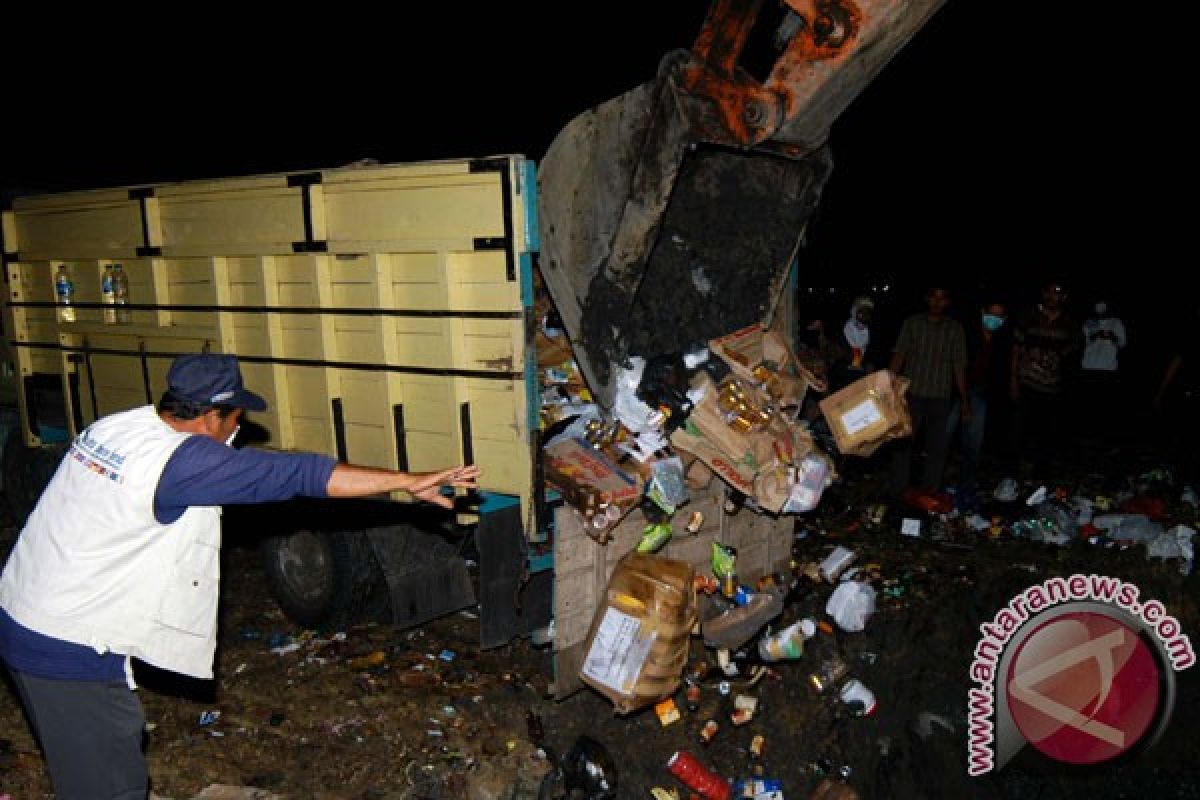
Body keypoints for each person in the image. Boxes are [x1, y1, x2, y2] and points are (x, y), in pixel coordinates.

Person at [0, 353, 480, 799]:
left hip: (22, 612)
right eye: (235, 419)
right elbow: (298, 475)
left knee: (89, 769)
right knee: (109, 787)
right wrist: (405, 480)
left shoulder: (119, 426)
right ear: (212, 416)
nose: (238, 430)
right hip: (65, 648)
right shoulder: (186, 461)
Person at [888, 285, 968, 499]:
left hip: (941, 396)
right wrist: (887, 386)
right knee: (903, 442)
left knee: (937, 447)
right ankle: (898, 490)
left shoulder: (955, 329)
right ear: (927, 299)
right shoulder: (912, 323)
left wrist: (965, 400)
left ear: (948, 302)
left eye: (942, 299)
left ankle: (930, 492)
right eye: (933, 297)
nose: (937, 303)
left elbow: (958, 366)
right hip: (912, 394)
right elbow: (899, 355)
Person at [1010, 280, 1081, 475]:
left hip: (1052, 387)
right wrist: (1013, 380)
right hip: (1025, 382)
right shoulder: (1028, 316)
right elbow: (1015, 349)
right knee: (1018, 429)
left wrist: (1059, 354)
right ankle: (1014, 470)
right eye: (1049, 292)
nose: (1052, 297)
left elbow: (1076, 345)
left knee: (1047, 432)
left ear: (1064, 298)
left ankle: (1040, 472)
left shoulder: (1069, 323)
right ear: (1043, 294)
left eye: (1057, 293)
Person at [946, 298, 1012, 509]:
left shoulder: (1003, 342)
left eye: (998, 316)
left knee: (973, 444)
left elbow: (1000, 377)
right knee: (943, 437)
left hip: (982, 395)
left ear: (1004, 319)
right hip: (956, 391)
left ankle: (966, 486)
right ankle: (933, 484)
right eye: (990, 314)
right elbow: (957, 367)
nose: (993, 320)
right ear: (983, 313)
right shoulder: (966, 335)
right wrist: (964, 400)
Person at [1078, 300, 1127, 440]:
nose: (1101, 308)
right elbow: (1083, 341)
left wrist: (1112, 336)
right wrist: (1095, 335)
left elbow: (1123, 343)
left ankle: (1103, 436)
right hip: (1089, 367)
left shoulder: (1116, 322)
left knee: (1105, 405)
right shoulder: (1088, 322)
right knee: (1088, 404)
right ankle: (1085, 435)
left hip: (1108, 368)